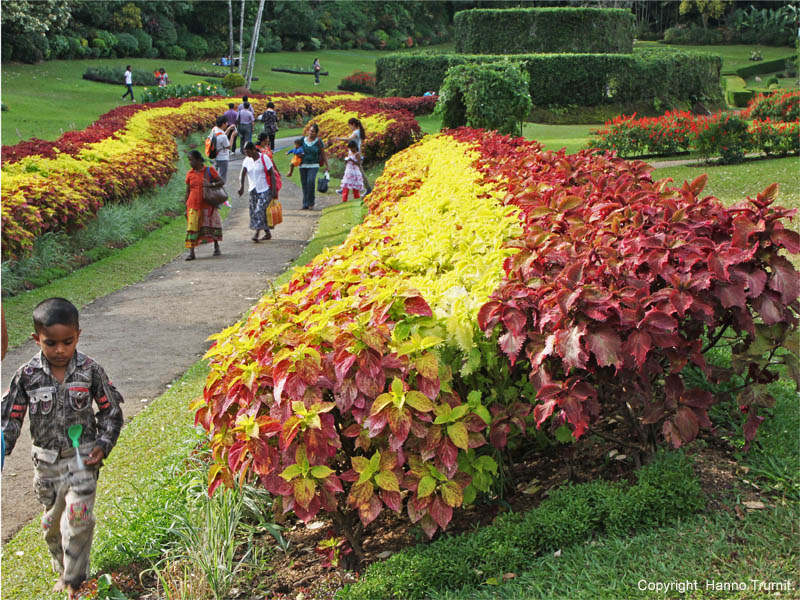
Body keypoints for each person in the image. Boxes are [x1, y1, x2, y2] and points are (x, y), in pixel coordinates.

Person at [1, 297, 124, 600]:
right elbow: (10, 419)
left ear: (78, 336)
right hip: (46, 466)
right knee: (51, 525)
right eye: (50, 343)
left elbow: (111, 411)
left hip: (83, 459)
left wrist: (103, 444)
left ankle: (75, 578)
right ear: (36, 339)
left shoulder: (90, 371)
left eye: (67, 342)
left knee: (79, 517)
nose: (60, 350)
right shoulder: (27, 375)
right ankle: (63, 567)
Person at [184, 150, 224, 261]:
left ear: (197, 160)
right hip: (193, 205)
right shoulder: (190, 174)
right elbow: (187, 191)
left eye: (191, 160)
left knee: (212, 226)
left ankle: (216, 247)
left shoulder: (209, 171)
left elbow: (221, 181)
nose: (190, 162)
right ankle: (191, 253)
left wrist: (211, 184)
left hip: (207, 205)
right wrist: (185, 206)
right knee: (192, 228)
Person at [238, 142, 277, 242]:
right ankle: (267, 233)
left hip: (264, 189)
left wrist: (274, 190)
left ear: (254, 150)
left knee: (259, 210)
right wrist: (241, 187)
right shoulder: (247, 160)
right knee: (254, 212)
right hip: (253, 190)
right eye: (245, 152)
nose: (247, 154)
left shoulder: (264, 158)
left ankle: (256, 233)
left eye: (248, 151)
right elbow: (242, 174)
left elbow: (272, 174)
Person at [332, 118, 371, 194]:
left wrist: (338, 138)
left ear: (353, 124)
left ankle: (368, 188)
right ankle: (343, 189)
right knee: (349, 170)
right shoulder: (358, 131)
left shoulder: (356, 132)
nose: (350, 127)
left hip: (355, 154)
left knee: (359, 171)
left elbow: (348, 139)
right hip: (354, 153)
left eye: (350, 126)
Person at [299, 123, 328, 210]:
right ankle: (305, 203)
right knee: (304, 184)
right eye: (310, 131)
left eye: (313, 132)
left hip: (314, 165)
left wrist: (327, 165)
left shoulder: (318, 142)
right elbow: (297, 150)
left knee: (310, 182)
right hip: (303, 165)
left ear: (316, 133)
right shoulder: (302, 140)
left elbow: (323, 153)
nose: (311, 133)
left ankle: (311, 202)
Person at [208, 116, 234, 183]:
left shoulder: (214, 129)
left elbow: (221, 137)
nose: (227, 124)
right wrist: (233, 136)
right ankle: (219, 191)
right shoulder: (223, 137)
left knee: (216, 175)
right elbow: (229, 146)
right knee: (222, 178)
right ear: (223, 124)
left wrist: (228, 129)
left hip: (215, 156)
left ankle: (215, 187)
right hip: (223, 158)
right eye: (226, 123)